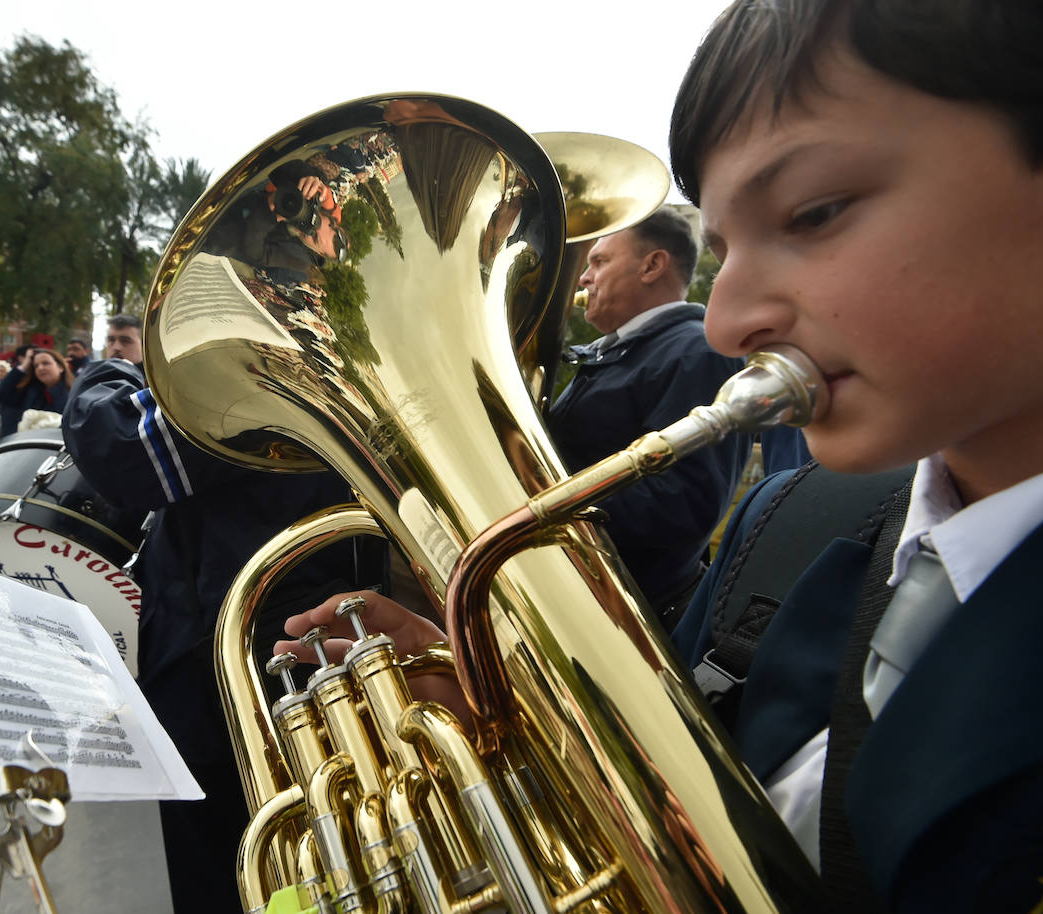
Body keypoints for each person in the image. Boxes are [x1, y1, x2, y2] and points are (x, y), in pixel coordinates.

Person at [285, 1, 1043, 910]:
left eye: (814, 212)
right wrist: (520, 724)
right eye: (723, 249)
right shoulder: (787, 525)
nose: (726, 325)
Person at [62, 358, 382, 914]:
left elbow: (121, 448)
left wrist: (108, 371)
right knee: (316, 853)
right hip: (312, 636)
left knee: (236, 862)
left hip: (233, 656)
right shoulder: (338, 369)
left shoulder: (254, 368)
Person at [546, 206, 750, 627]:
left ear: (653, 265)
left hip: (621, 612)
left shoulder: (696, 352)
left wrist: (544, 491)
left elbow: (686, 505)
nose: (584, 278)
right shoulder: (619, 351)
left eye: (599, 261)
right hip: (580, 594)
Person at [0, 348, 73, 433]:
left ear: (60, 367)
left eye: (46, 363)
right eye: (36, 366)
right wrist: (24, 366)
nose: (40, 368)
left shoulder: (75, 393)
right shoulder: (30, 393)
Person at [0, 344, 33, 438]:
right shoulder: (15, 376)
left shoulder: (38, 378)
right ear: (21, 358)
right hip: (13, 433)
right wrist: (23, 367)